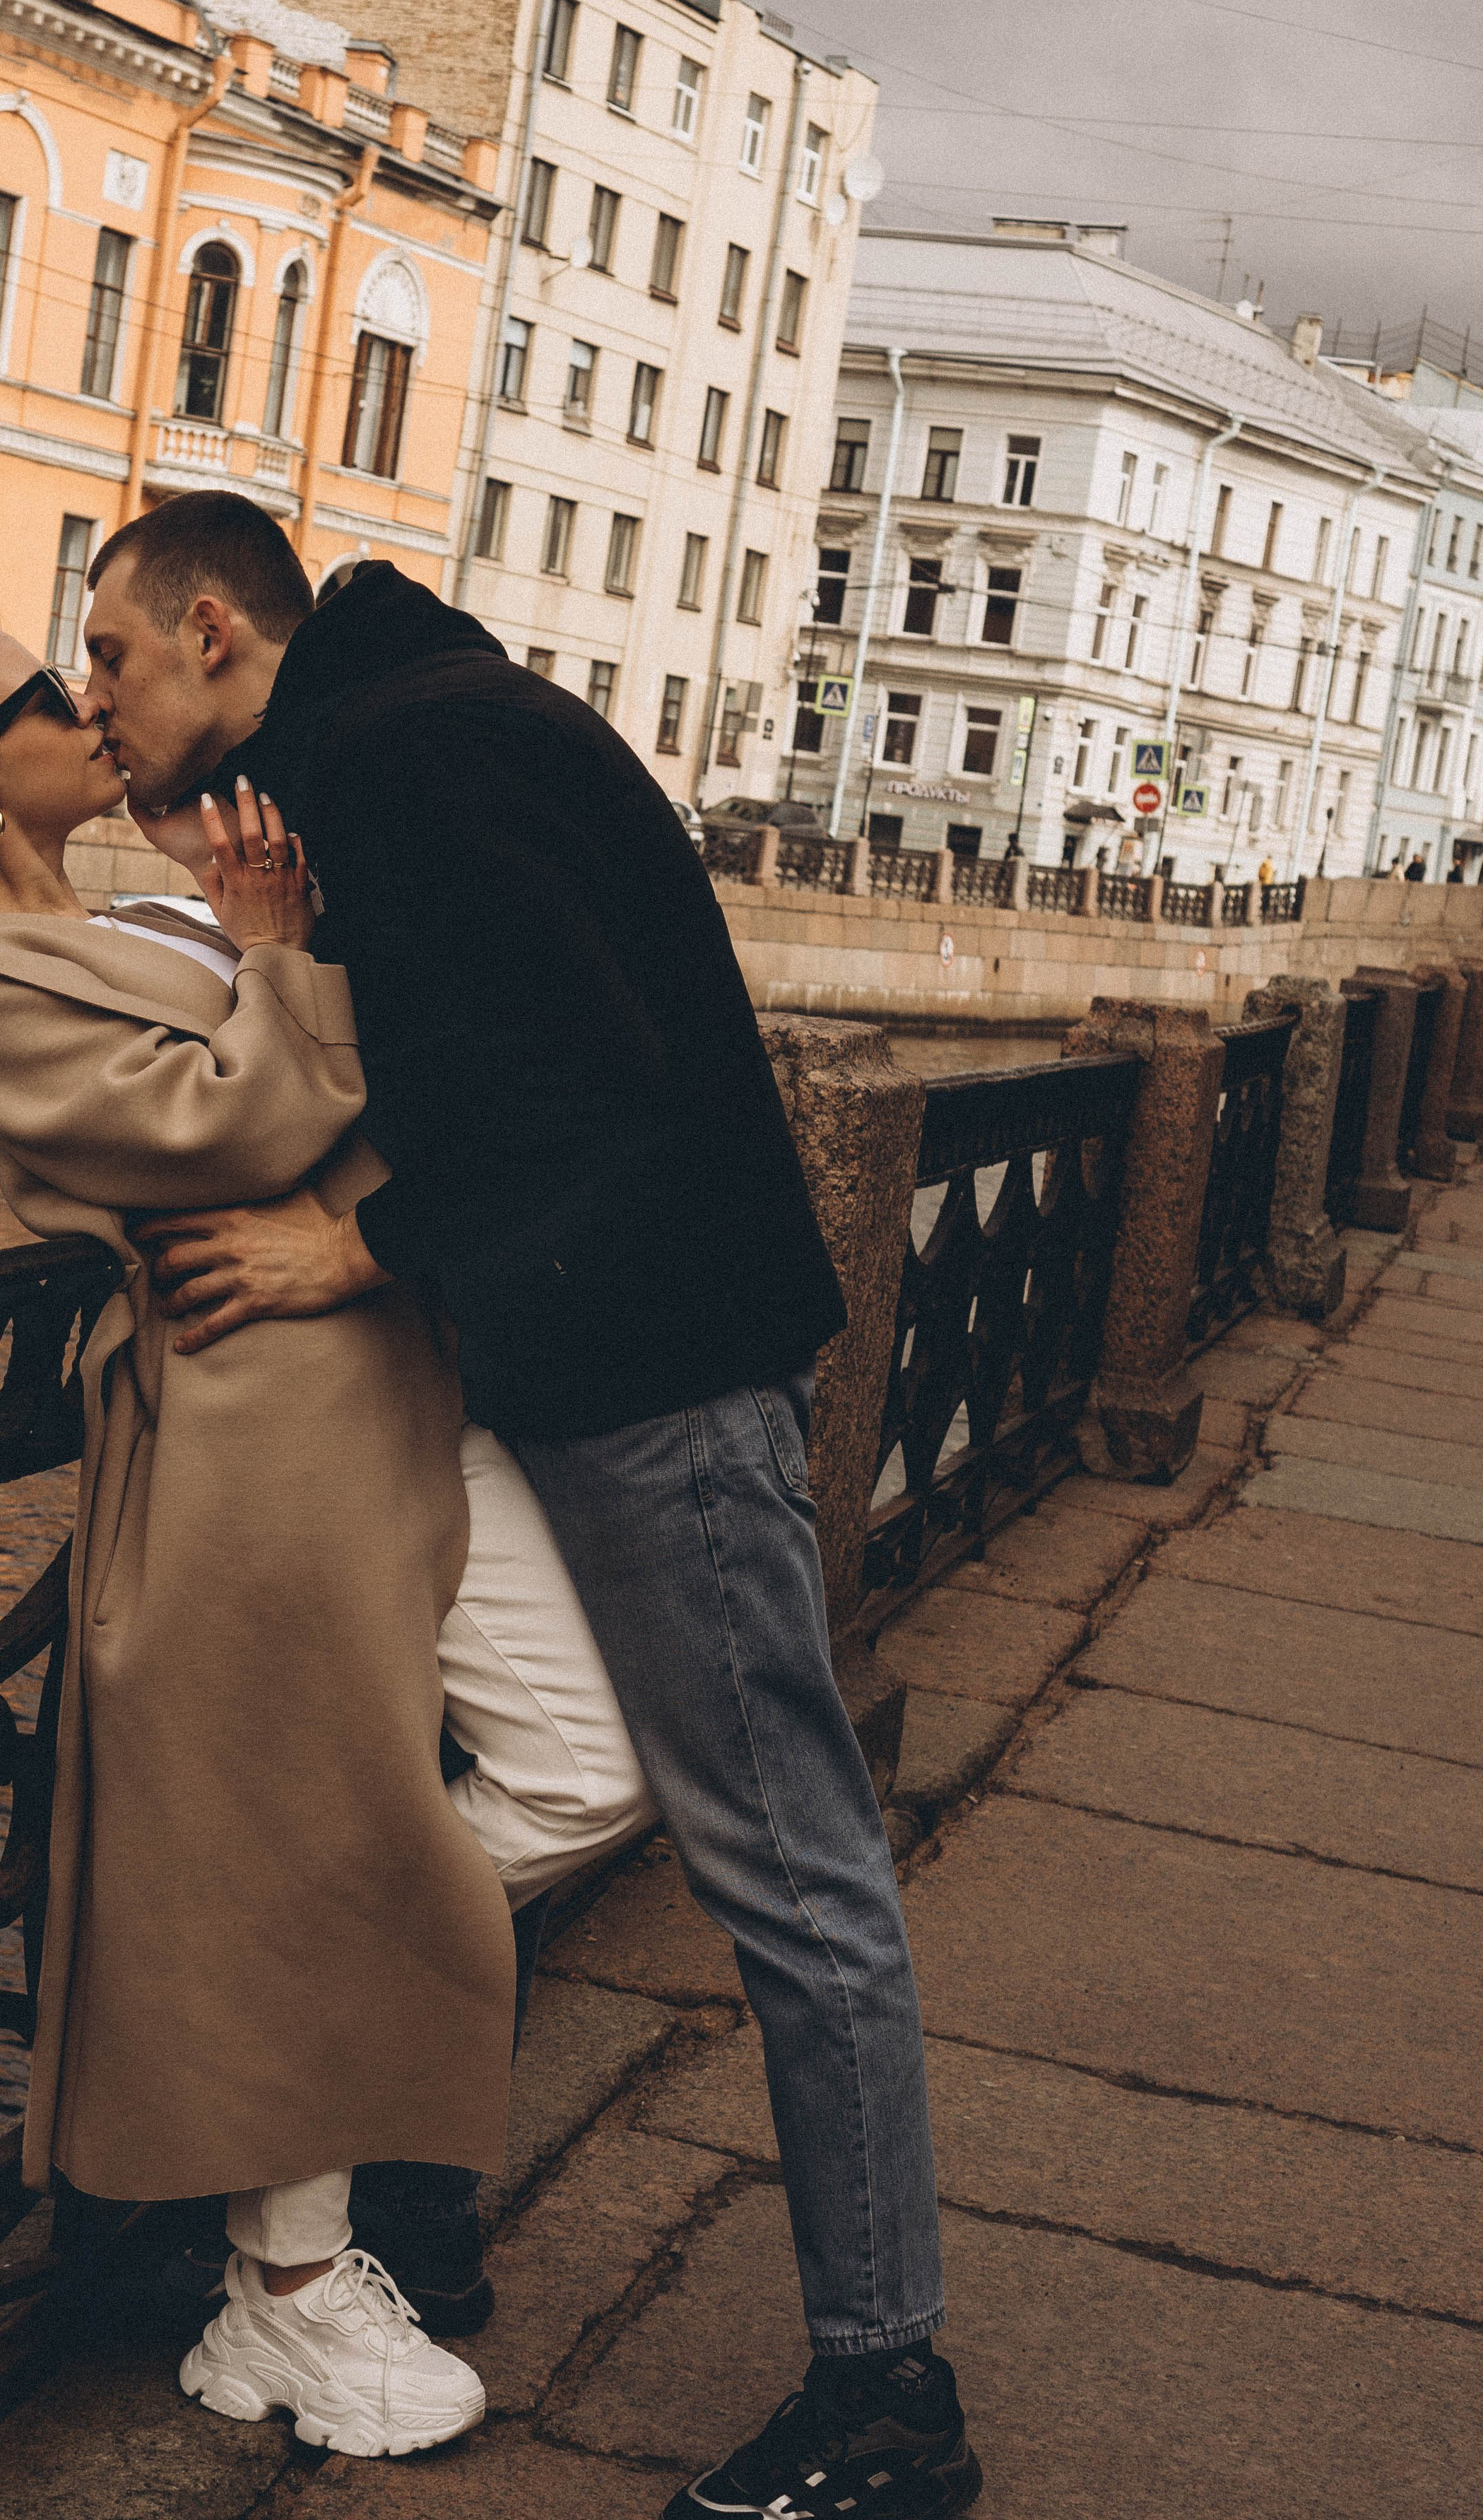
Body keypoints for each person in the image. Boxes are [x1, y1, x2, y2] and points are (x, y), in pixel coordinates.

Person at [76, 495, 981, 2520]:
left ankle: (886, 2404)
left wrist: (352, 1251)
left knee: (795, 1873)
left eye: (115, 659)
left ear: (216, 633)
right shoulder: (406, 730)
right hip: (606, 1357)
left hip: (649, 1374)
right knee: (613, 1806)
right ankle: (360, 2164)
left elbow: (584, 1080)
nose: (98, 698)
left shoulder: (417, 751)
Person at [0, 606, 651, 2462]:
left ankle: (293, 2170)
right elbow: (243, 1125)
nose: (87, 704)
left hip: (391, 1374)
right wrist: (281, 961)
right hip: (257, 1439)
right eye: (51, 693)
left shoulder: (132, 917)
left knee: (582, 1768)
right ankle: (286, 2284)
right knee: (383, 1816)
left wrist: (289, 941)